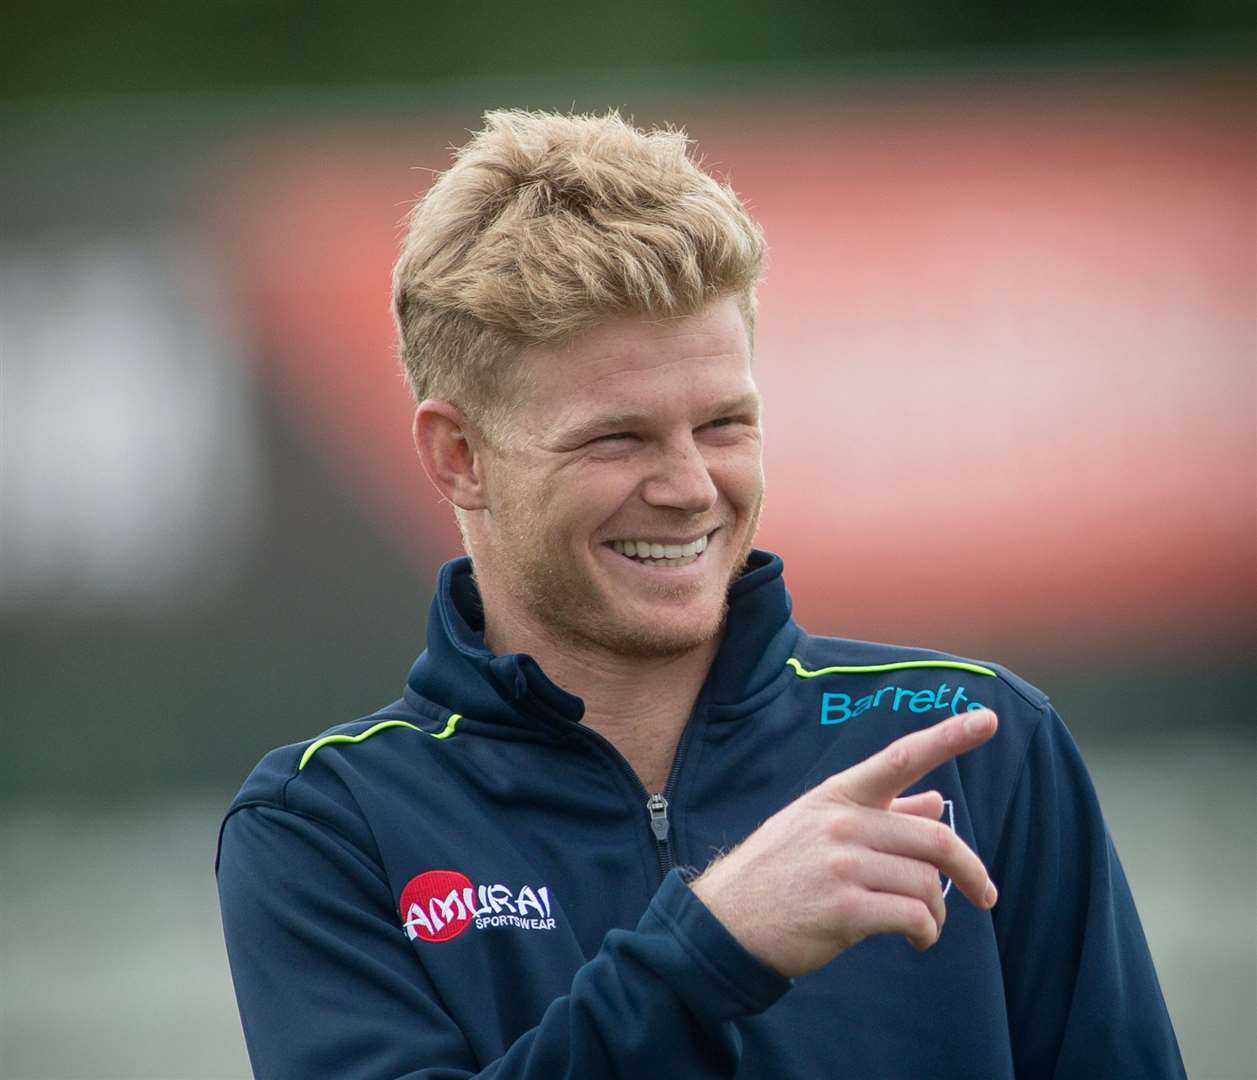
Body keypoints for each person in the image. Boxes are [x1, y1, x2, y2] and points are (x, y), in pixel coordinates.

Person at [216, 109, 1185, 1079]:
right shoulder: (328, 826)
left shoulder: (975, 742)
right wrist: (709, 951)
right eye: (617, 439)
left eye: (723, 424)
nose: (688, 487)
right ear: (459, 455)